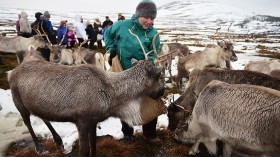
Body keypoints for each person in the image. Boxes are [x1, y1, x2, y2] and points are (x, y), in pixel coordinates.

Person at [104, 0, 160, 141]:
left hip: (145, 76)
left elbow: (154, 52)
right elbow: (108, 35)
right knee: (125, 104)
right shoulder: (122, 25)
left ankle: (149, 134)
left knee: (149, 102)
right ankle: (128, 133)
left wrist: (149, 61)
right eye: (146, 17)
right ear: (138, 14)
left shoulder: (153, 33)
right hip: (124, 72)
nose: (149, 21)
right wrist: (111, 48)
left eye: (152, 18)